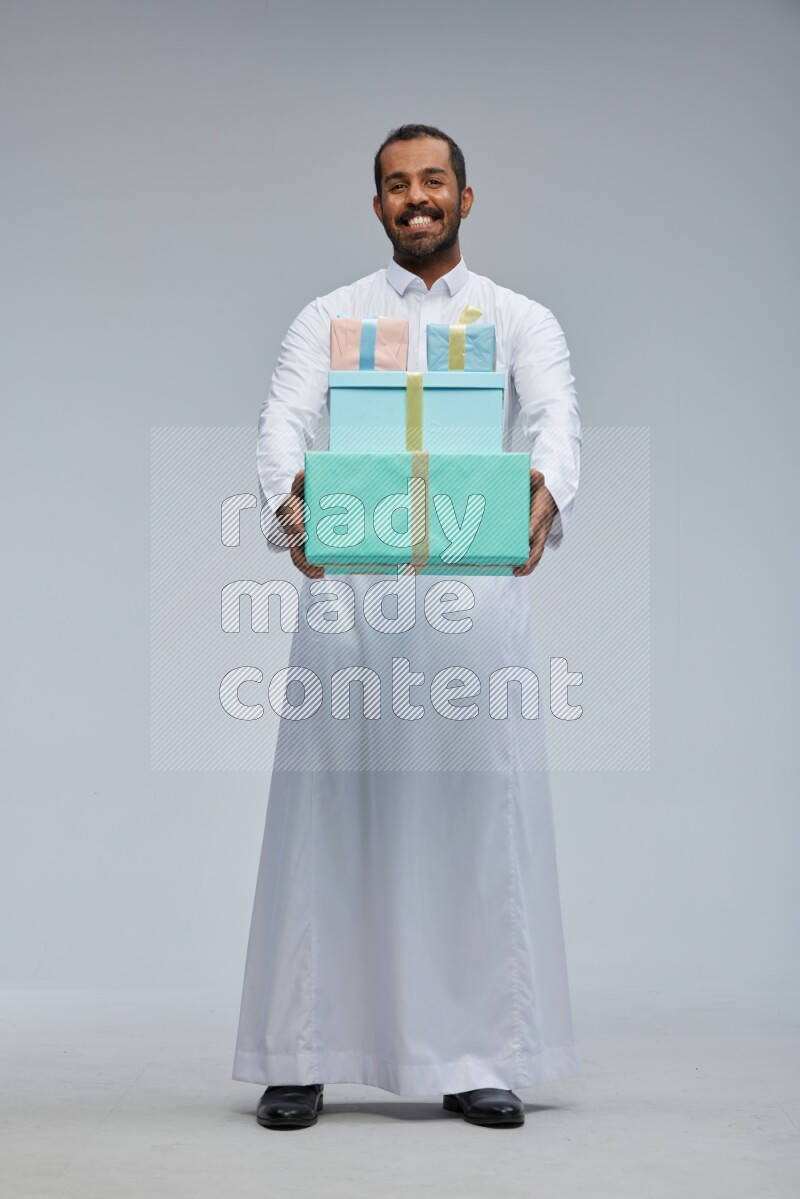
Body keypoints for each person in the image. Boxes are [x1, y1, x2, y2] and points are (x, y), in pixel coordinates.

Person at [232, 123, 582, 1129]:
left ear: (465, 199)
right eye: (395, 184)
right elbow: (280, 421)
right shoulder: (329, 316)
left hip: (470, 601)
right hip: (354, 594)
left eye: (433, 181)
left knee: (470, 819)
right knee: (327, 816)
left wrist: (547, 489)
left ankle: (474, 1054)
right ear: (376, 204)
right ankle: (301, 1049)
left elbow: (555, 415)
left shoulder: (517, 318)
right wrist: (286, 501)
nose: (414, 197)